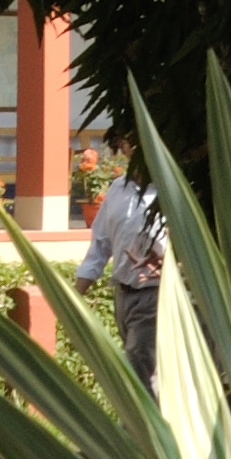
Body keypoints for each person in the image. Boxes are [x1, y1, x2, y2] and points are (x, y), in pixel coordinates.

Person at [76, 139, 166, 384]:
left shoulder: (169, 189)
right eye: (128, 142)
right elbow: (100, 244)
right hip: (124, 295)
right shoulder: (117, 189)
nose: (133, 147)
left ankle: (138, 423)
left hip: (156, 294)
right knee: (140, 365)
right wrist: (75, 294)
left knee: (141, 368)